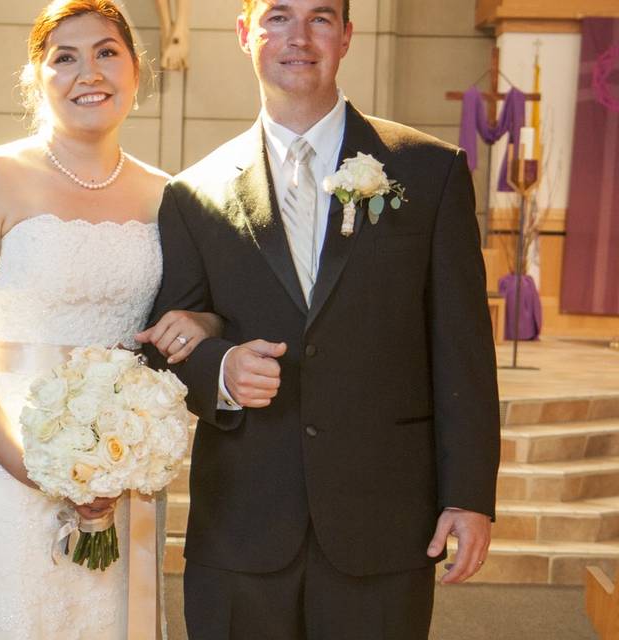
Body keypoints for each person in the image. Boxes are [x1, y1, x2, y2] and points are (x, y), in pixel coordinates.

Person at [139, 0, 501, 638]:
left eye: (320, 19)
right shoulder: (193, 194)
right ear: (246, 32)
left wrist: (468, 494)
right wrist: (219, 369)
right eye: (277, 17)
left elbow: (462, 349)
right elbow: (165, 342)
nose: (297, 38)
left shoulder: (429, 170)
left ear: (347, 36)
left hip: (382, 519)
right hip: (243, 524)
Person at [0, 1, 219, 637]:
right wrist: (39, 468)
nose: (90, 73)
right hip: (4, 463)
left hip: (120, 467)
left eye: (107, 52)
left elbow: (201, 314)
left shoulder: (172, 196)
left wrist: (203, 324)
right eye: (65, 58)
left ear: (137, 72)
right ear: (37, 77)